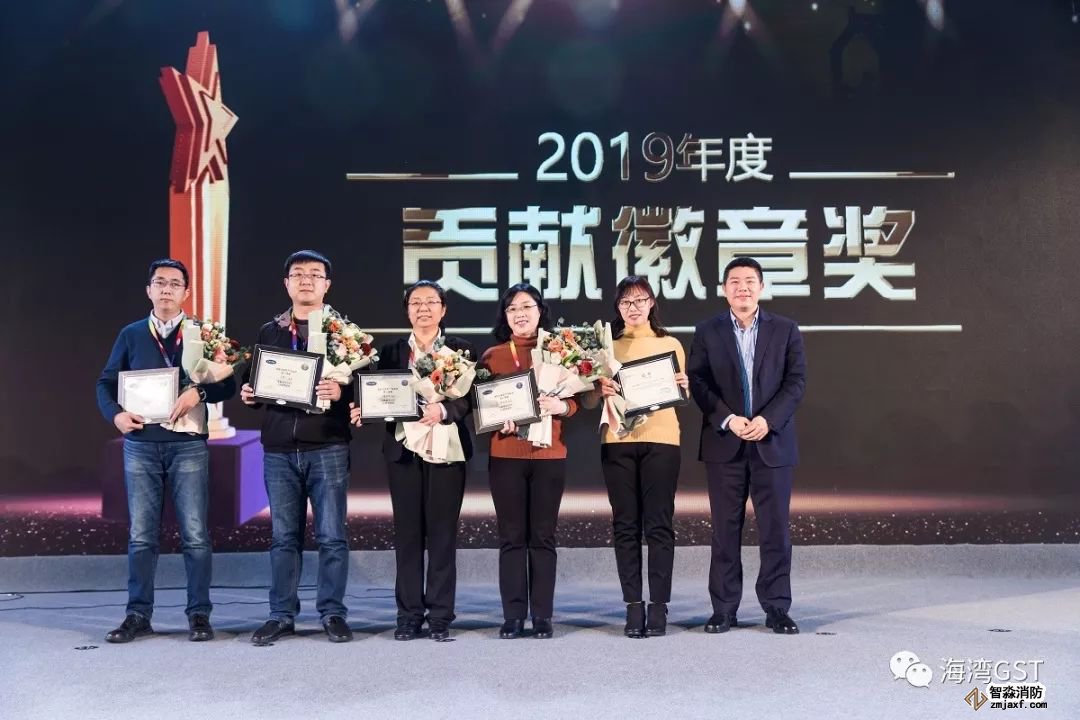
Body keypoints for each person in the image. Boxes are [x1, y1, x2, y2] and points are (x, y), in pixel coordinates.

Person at [96, 258, 236, 643]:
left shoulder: (203, 333)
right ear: (149, 290)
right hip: (141, 445)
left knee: (195, 535)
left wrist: (199, 392)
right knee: (142, 536)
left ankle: (199, 615)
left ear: (186, 293)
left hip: (188, 445)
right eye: (160, 282)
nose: (167, 289)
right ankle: (137, 614)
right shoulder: (131, 334)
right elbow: (105, 383)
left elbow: (229, 384)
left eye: (175, 283)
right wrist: (116, 415)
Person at [687, 257, 807, 635]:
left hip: (772, 442)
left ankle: (777, 607)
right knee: (725, 530)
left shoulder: (785, 329)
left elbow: (796, 382)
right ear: (724, 289)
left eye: (750, 281)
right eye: (735, 281)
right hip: (725, 442)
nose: (743, 287)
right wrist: (728, 418)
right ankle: (724, 609)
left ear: (762, 287)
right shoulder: (707, 331)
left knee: (775, 531)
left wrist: (767, 420)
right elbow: (698, 382)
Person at [240, 250, 354, 644]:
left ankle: (332, 613)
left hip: (328, 446)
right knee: (283, 538)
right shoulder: (269, 332)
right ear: (286, 283)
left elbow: (366, 387)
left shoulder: (345, 334)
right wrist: (249, 394)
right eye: (298, 274)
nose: (306, 280)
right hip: (279, 450)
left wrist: (342, 391)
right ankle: (281, 615)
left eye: (315, 274)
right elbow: (254, 382)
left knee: (331, 536)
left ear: (327, 285)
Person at [349, 280, 473, 641]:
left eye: (431, 302)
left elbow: (471, 400)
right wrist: (363, 409)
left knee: (443, 535)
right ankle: (408, 614)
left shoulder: (460, 350)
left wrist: (444, 410)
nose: (423, 309)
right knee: (407, 535)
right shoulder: (389, 352)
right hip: (402, 452)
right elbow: (374, 392)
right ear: (407, 311)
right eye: (416, 303)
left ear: (443, 309)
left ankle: (441, 614)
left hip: (447, 449)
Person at [479, 283, 577, 639]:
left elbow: (577, 400)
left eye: (526, 307)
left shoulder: (560, 352)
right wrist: (496, 420)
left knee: (543, 536)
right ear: (505, 316)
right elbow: (482, 405)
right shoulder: (492, 356)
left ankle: (542, 615)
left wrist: (562, 406)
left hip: (549, 454)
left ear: (540, 311)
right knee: (511, 537)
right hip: (506, 454)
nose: (520, 314)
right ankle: (513, 615)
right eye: (512, 309)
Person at [591, 276, 687, 638]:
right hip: (617, 441)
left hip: (662, 440)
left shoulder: (670, 344)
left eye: (640, 300)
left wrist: (684, 387)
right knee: (625, 525)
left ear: (652, 303)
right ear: (618, 307)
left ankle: (659, 605)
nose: (633, 308)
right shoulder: (606, 348)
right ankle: (633, 604)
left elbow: (678, 393)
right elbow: (589, 401)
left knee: (659, 524)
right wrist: (598, 389)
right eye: (626, 302)